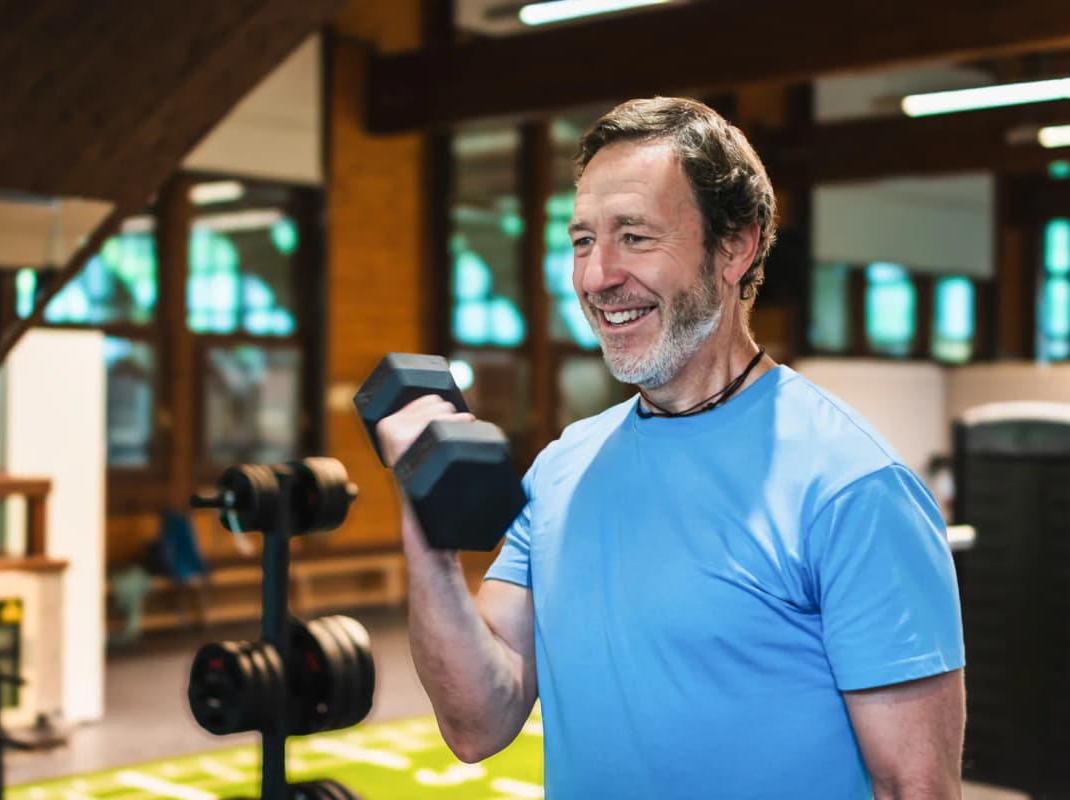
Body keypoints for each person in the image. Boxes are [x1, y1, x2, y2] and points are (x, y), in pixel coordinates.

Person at [375, 97, 965, 799]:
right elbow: (478, 722)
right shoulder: (566, 467)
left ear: (735, 247)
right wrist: (425, 523)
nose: (598, 277)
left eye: (635, 236)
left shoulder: (852, 484)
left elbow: (916, 787)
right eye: (584, 240)